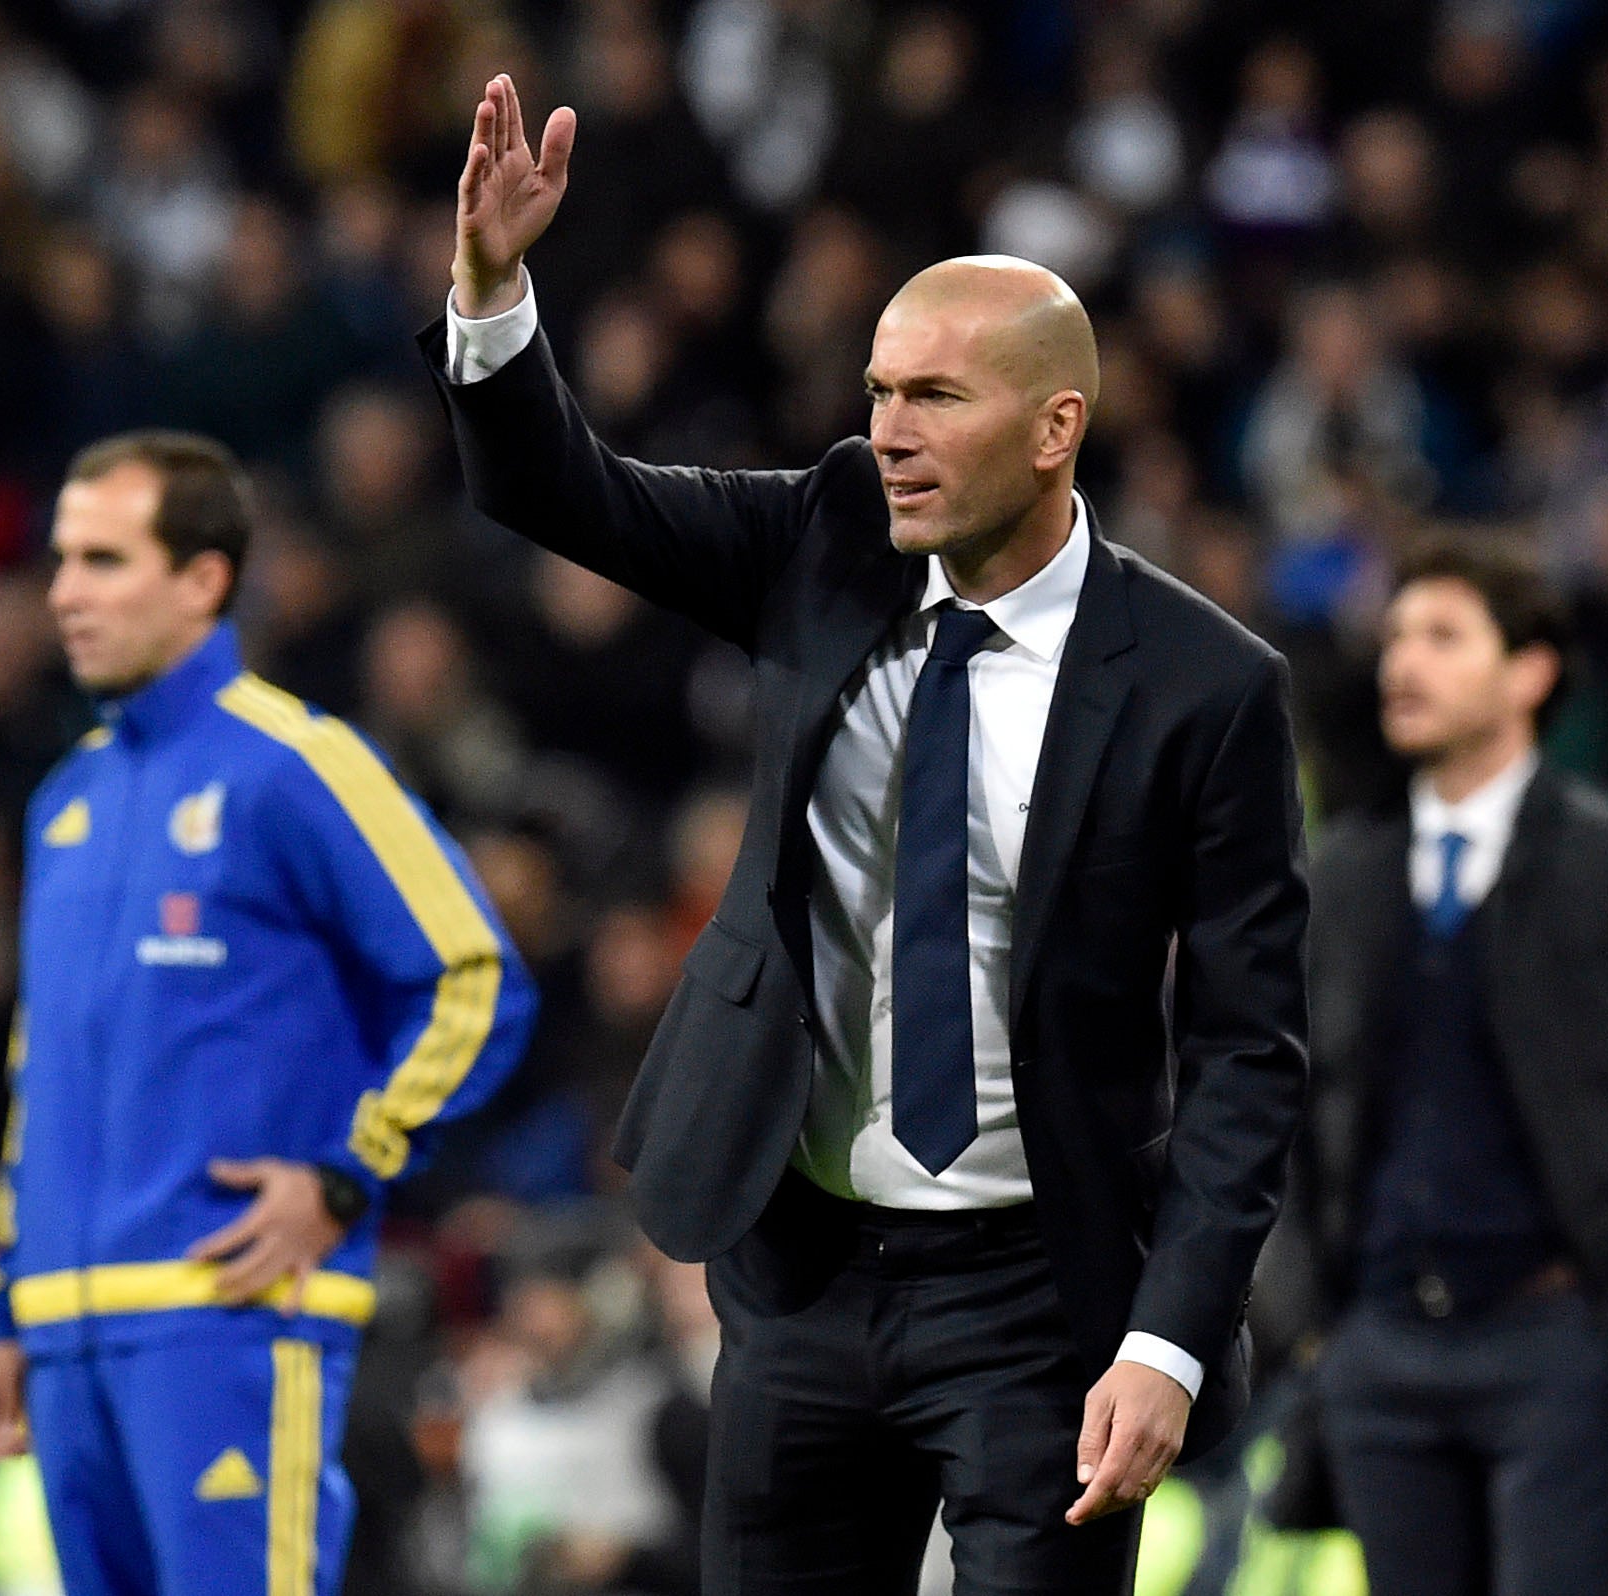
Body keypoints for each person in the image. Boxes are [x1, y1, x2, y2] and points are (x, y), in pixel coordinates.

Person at [421, 77, 1309, 1596]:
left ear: (1056, 426)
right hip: (804, 1270)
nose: (887, 431)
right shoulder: (826, 535)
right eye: (880, 392)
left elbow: (1248, 1047)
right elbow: (562, 494)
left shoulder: (1205, 688)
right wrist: (497, 294)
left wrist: (1166, 1340)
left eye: (934, 400)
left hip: (1044, 1302)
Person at [0, 431, 538, 1596]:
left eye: (104, 561)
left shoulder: (299, 766)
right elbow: (44, 1072)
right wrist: (8, 1306)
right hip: (67, 1340)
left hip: (225, 1321)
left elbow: (475, 977)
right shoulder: (62, 801)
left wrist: (346, 1171)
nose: (63, 593)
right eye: (61, 560)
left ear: (205, 579)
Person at [1295, 536, 1608, 1595]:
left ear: (1530, 670)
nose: (1403, 664)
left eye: (1442, 636)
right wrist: (1304, 1321)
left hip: (1563, 1347)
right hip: (1379, 1348)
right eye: (1395, 637)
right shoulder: (1341, 876)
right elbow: (1269, 1100)